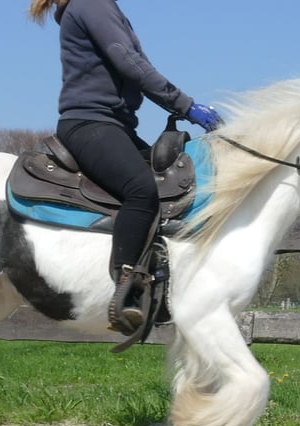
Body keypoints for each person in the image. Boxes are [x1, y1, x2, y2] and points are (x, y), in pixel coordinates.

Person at [29, 0, 222, 334]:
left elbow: (135, 66)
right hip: (90, 124)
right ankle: (126, 291)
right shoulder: (91, 4)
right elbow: (132, 64)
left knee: (169, 185)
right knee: (141, 190)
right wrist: (187, 106)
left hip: (113, 125)